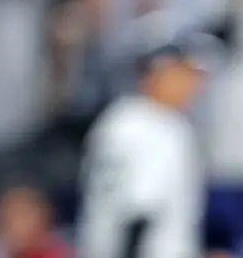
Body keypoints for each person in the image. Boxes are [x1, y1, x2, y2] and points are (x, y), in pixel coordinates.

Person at [77, 22, 218, 258]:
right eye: (184, 72)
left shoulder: (126, 120)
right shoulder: (148, 127)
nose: (194, 83)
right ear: (156, 71)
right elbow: (136, 218)